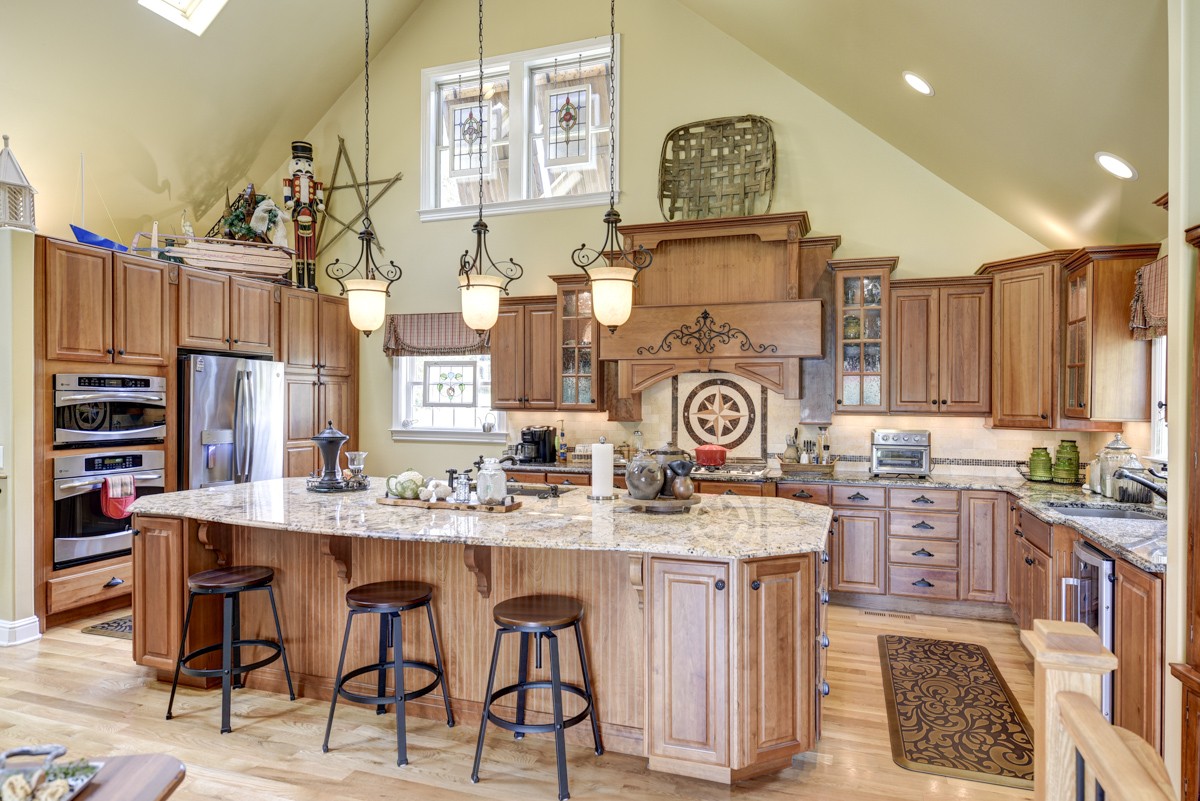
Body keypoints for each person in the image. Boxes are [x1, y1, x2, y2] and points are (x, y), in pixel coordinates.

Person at [282, 141, 325, 289]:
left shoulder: (317, 184)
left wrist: (320, 205)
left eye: (307, 162)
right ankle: (300, 283)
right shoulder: (289, 182)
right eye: (299, 161)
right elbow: (287, 200)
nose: (304, 166)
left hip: (311, 215)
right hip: (298, 213)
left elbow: (320, 201)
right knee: (299, 248)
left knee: (311, 249)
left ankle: (311, 282)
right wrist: (289, 203)